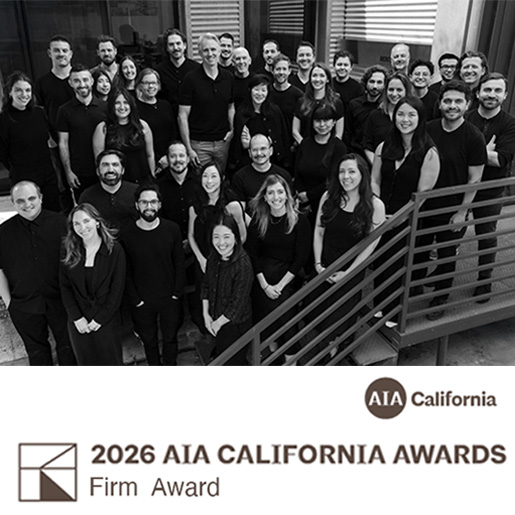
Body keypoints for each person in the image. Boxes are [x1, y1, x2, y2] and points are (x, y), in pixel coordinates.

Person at [417, 80, 486, 320]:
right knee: (418, 251)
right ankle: (414, 288)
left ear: (467, 104)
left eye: (458, 101)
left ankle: (440, 298)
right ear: (440, 103)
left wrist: (462, 212)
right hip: (424, 206)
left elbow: (475, 178)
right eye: (447, 101)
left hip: (452, 208)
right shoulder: (428, 129)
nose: (452, 105)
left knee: (446, 256)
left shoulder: (474, 137)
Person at [371, 96, 440, 323]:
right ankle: (379, 306)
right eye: (401, 114)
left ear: (420, 118)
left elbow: (422, 194)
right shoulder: (384, 146)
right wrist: (378, 209)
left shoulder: (429, 152)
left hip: (406, 220)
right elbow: (375, 180)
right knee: (380, 262)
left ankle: (394, 313)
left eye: (411, 115)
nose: (405, 119)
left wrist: (399, 219)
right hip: (381, 217)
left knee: (398, 266)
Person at [311, 154, 385, 356]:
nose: (346, 176)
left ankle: (332, 353)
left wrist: (348, 273)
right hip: (324, 263)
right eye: (342, 171)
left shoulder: (375, 205)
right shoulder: (328, 197)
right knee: (318, 313)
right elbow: (319, 230)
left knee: (337, 320)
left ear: (362, 174)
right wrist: (318, 264)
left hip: (352, 268)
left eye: (352, 171)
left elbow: (370, 245)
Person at [0, 181, 76, 366]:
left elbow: (76, 261)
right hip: (24, 305)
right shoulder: (3, 232)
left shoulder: (62, 223)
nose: (27, 204)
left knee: (68, 349)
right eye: (20, 201)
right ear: (13, 202)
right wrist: (9, 303)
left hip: (61, 302)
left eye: (31, 198)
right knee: (36, 353)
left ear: (41, 198)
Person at [247, 174, 311, 364]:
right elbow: (252, 253)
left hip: (288, 279)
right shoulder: (258, 220)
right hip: (263, 280)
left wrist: (280, 286)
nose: (276, 197)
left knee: (286, 320)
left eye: (280, 192)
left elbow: (301, 257)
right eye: (271, 193)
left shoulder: (299, 220)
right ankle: (275, 354)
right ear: (265, 197)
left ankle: (291, 362)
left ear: (287, 195)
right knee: (267, 319)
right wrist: (265, 285)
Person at [121, 183, 185, 365]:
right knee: (149, 342)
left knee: (170, 339)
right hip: (142, 301)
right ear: (137, 205)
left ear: (159, 204)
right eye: (144, 202)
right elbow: (126, 271)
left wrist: (176, 293)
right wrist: (136, 300)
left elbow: (179, 263)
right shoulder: (126, 234)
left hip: (169, 298)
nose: (149, 206)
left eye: (153, 202)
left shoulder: (172, 229)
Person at [466, 73, 515, 302]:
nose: (491, 95)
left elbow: (501, 159)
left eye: (497, 90)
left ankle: (484, 281)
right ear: (478, 93)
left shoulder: (510, 124)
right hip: (462, 185)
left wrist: (470, 151)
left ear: (505, 95)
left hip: (490, 190)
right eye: (487, 90)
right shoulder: (465, 118)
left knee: (486, 235)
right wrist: (485, 151)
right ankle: (441, 276)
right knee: (451, 233)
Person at [60, 202, 126, 365]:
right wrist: (77, 318)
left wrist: (100, 319)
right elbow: (65, 287)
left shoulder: (114, 250)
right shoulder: (68, 250)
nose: (82, 227)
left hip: (106, 320)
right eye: (76, 223)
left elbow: (117, 289)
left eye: (86, 221)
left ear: (97, 221)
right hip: (79, 322)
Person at [188, 162, 247, 330]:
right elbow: (191, 236)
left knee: (226, 301)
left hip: (227, 261)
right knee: (205, 301)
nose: (209, 181)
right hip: (204, 261)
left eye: (213, 176)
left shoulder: (232, 205)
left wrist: (227, 256)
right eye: (205, 176)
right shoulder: (195, 206)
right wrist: (201, 260)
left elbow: (242, 235)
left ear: (222, 178)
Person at [0, 71, 60, 212]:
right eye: (18, 90)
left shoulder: (39, 113)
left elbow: (48, 140)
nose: (24, 94)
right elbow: (2, 153)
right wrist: (18, 166)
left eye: (27, 90)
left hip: (47, 173)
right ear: (10, 92)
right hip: (23, 175)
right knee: (30, 212)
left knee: (53, 211)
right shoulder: (3, 120)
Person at [201, 214, 253, 365]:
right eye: (216, 237)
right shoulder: (213, 257)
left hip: (235, 326)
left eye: (226, 237)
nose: (221, 243)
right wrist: (205, 314)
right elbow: (206, 285)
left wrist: (217, 324)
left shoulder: (243, 264)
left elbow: (237, 305)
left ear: (236, 238)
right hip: (215, 320)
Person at [178, 33, 235, 171]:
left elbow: (231, 107)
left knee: (220, 178)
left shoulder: (228, 77)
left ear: (219, 50)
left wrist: (233, 129)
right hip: (199, 145)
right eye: (206, 50)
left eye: (213, 49)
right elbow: (182, 116)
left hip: (223, 142)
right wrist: (188, 148)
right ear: (200, 53)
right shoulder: (191, 79)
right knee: (200, 180)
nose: (210, 54)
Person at [57, 64, 107, 198]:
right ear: (70, 83)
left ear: (92, 81)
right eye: (76, 81)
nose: (82, 84)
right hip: (79, 172)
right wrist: (68, 172)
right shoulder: (64, 111)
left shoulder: (105, 107)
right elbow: (63, 143)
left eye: (85, 80)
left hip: (105, 169)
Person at [295, 104, 348, 221]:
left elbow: (333, 179)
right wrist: (302, 195)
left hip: (327, 202)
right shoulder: (305, 143)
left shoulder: (339, 147)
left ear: (334, 122)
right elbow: (297, 171)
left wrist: (309, 196)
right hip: (302, 203)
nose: (322, 125)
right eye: (318, 121)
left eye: (326, 120)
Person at [93, 87, 154, 183]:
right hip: (116, 183)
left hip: (143, 180)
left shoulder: (142, 125)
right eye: (117, 103)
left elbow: (150, 155)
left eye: (126, 102)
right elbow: (99, 160)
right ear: (112, 105)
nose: (122, 107)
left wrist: (152, 176)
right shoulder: (103, 128)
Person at [233, 74, 290, 170]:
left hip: (273, 161)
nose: (260, 94)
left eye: (263, 90)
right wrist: (247, 145)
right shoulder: (241, 113)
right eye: (256, 89)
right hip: (248, 163)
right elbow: (237, 145)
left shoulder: (274, 111)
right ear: (250, 90)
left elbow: (283, 137)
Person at [79, 149, 138, 230]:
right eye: (105, 165)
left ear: (122, 170)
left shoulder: (137, 192)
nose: (110, 170)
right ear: (97, 171)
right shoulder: (87, 197)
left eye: (115, 165)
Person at [232, 134, 293, 209]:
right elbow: (241, 211)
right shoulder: (240, 177)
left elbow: (290, 205)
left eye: (263, 149)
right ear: (249, 153)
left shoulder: (284, 175)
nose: (259, 153)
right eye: (255, 150)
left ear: (271, 151)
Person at [363, 71, 412, 165]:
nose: (394, 94)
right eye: (391, 89)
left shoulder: (413, 117)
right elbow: (367, 145)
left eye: (399, 90)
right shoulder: (375, 115)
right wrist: (378, 166)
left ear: (406, 91)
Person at [292, 63, 344, 144]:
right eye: (314, 75)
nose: (317, 79)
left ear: (327, 79)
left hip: (329, 149)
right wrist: (304, 146)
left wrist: (329, 148)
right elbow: (295, 131)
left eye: (322, 76)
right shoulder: (301, 102)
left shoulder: (336, 102)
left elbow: (339, 133)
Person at [156, 141, 197, 241]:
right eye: (173, 156)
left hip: (197, 240)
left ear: (188, 159)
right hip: (168, 240)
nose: (178, 160)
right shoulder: (158, 186)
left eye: (181, 155)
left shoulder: (199, 182)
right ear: (167, 159)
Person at [155, 28, 199, 120]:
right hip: (168, 120)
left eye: (178, 43)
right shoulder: (159, 71)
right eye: (171, 44)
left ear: (185, 45)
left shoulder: (197, 69)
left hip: (194, 120)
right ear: (167, 48)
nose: (175, 48)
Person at [135, 68, 176, 163]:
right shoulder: (135, 108)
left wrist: (168, 154)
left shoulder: (165, 105)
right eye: (146, 83)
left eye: (154, 83)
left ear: (158, 85)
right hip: (147, 158)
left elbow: (173, 132)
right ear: (140, 85)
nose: (151, 86)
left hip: (169, 157)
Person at [345, 65, 388, 156]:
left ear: (385, 85)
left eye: (379, 82)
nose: (375, 86)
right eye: (372, 81)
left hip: (379, 155)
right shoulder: (354, 104)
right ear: (365, 83)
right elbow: (347, 133)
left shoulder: (386, 108)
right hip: (356, 153)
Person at [268, 54, 303, 138]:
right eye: (278, 69)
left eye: (284, 69)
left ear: (289, 71)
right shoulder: (266, 92)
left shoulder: (298, 95)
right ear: (272, 70)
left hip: (291, 141)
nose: (281, 72)